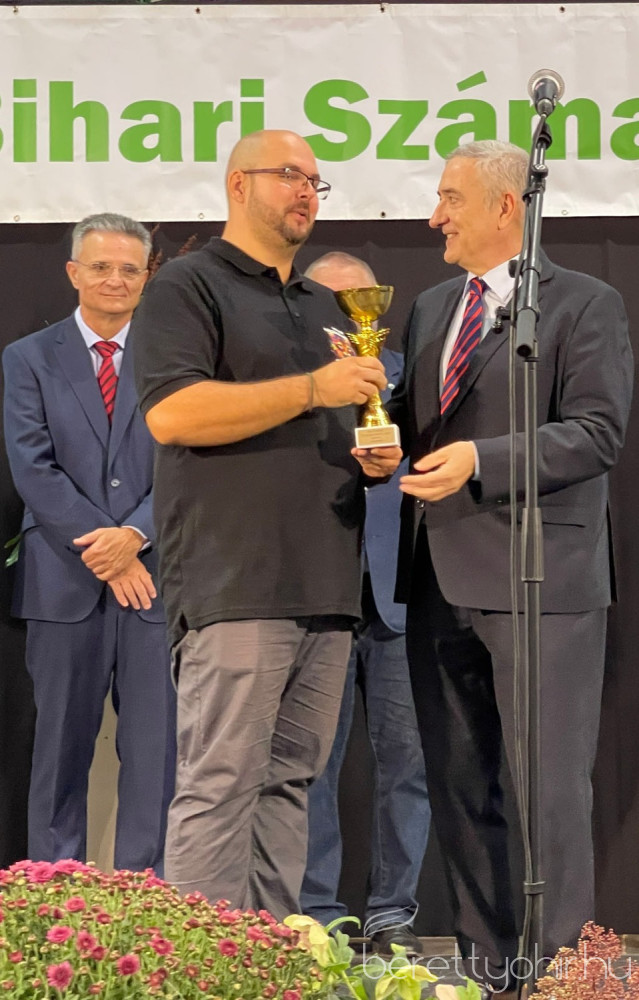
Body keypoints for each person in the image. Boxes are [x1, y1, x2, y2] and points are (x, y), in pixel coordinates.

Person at [359, 139, 632, 998]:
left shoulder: (583, 304)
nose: (433, 216)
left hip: (542, 580)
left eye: (449, 197)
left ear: (505, 207)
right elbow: (416, 422)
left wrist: (481, 459)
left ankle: (563, 974)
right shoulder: (433, 306)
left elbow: (595, 432)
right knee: (458, 788)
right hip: (436, 581)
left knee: (546, 792)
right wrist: (379, 439)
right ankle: (489, 972)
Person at [131, 129, 398, 919]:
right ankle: (200, 963)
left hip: (326, 584)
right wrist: (314, 389)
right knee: (221, 784)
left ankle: (269, 957)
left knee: (289, 785)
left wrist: (371, 454)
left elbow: (331, 427)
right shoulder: (187, 285)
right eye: (288, 175)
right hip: (234, 581)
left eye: (315, 180)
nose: (306, 191)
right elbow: (174, 414)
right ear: (238, 184)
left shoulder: (324, 306)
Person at [2, 212, 176, 873]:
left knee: (156, 756)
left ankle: (149, 905)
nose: (115, 280)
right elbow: (32, 468)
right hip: (62, 582)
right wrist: (106, 549)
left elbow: (186, 461)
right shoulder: (27, 359)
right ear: (74, 272)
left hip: (154, 582)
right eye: (101, 267)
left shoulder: (174, 356)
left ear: (147, 277)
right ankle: (54, 898)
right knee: (58, 754)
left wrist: (134, 535)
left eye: (129, 269)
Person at [300, 252, 430, 958]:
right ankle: (317, 914)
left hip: (399, 598)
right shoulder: (289, 382)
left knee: (406, 765)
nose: (349, 317)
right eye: (332, 302)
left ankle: (392, 914)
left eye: (359, 302)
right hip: (314, 596)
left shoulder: (413, 378)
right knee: (310, 765)